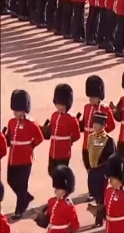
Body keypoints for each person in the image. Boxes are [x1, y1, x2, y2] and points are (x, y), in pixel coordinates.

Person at [4, 90, 43, 219]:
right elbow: (10, 138)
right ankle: (26, 197)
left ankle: (19, 209)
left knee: (21, 185)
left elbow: (39, 138)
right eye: (14, 111)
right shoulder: (11, 122)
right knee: (11, 180)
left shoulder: (31, 124)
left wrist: (30, 147)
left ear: (24, 110)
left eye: (18, 110)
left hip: (25, 159)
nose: (15, 113)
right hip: (13, 158)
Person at [85, 111, 115, 227]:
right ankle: (101, 215)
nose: (95, 126)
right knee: (96, 195)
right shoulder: (91, 137)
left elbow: (111, 157)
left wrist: (107, 172)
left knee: (102, 196)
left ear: (103, 126)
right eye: (94, 124)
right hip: (93, 171)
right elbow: (87, 152)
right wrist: (88, 167)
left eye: (97, 124)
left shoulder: (108, 140)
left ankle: (100, 218)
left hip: (102, 171)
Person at [45, 83, 79, 174]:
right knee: (51, 171)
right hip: (53, 151)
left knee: (61, 173)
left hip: (63, 152)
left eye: (61, 105)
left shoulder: (71, 118)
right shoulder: (54, 115)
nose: (58, 107)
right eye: (57, 104)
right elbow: (51, 129)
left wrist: (68, 142)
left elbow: (76, 135)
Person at [36, 165, 79, 232]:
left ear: (65, 191)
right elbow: (46, 220)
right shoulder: (51, 201)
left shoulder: (68, 206)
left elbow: (75, 225)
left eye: (58, 189)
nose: (55, 190)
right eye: (56, 188)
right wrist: (38, 218)